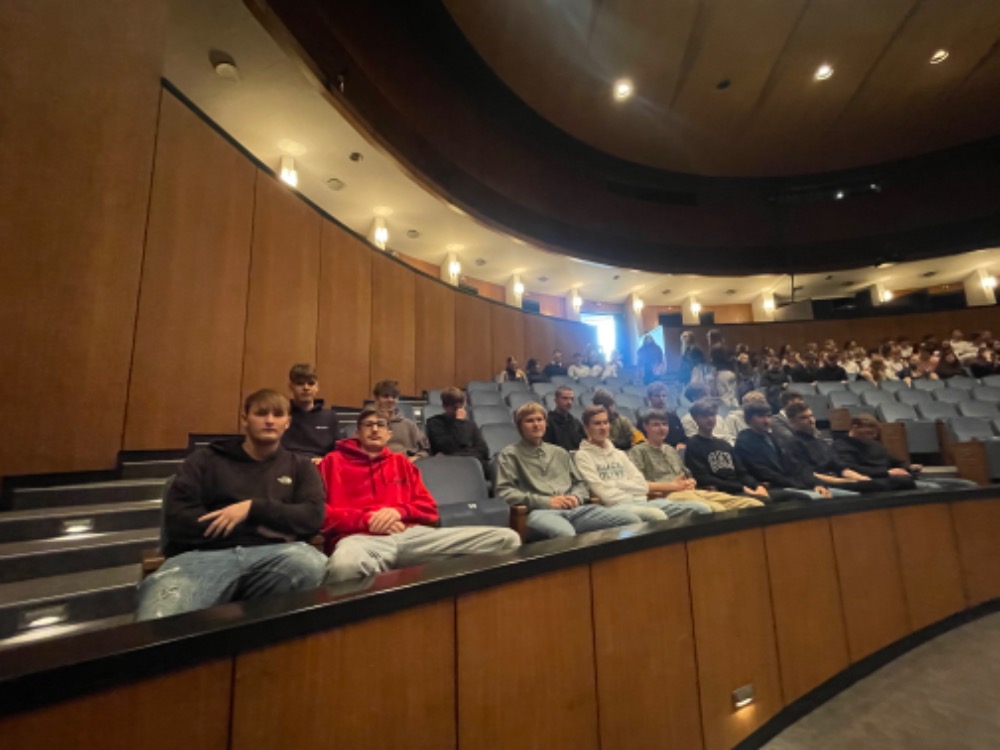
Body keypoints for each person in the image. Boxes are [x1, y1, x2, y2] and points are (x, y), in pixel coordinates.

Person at [136, 389, 327, 620]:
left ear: (287, 422)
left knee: (312, 565)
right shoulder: (205, 460)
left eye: (277, 414)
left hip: (277, 556)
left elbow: (312, 517)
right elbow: (179, 520)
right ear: (245, 419)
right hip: (202, 558)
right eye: (261, 413)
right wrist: (261, 527)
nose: (269, 420)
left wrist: (252, 509)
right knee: (159, 618)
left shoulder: (301, 466)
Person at [319, 409, 520, 582]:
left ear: (389, 434)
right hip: (360, 540)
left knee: (506, 539)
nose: (374, 429)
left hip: (411, 536)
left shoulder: (401, 462)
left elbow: (428, 508)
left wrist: (398, 512)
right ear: (357, 432)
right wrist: (367, 520)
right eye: (368, 425)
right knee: (344, 566)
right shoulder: (332, 462)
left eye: (380, 425)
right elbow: (321, 515)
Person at [496, 402, 641, 538]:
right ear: (519, 426)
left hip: (575, 510)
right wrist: (546, 502)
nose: (536, 424)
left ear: (545, 423)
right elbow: (504, 492)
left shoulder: (559, 452)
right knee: (566, 535)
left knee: (631, 520)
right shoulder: (510, 455)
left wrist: (576, 497)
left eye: (540, 420)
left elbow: (581, 484)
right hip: (540, 512)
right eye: (530, 421)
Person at [575, 406, 712, 521]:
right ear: (586, 428)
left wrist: (618, 485)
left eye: (605, 422)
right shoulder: (582, 456)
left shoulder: (619, 454)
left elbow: (641, 484)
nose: (603, 427)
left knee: (701, 509)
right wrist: (629, 488)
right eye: (597, 423)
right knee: (656, 515)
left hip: (641, 501)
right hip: (615, 506)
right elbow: (603, 493)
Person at [629, 409, 762, 511]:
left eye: (664, 424)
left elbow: (687, 474)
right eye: (656, 425)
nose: (662, 428)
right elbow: (638, 484)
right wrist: (670, 486)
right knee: (717, 509)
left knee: (752, 503)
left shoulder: (671, 450)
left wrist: (691, 481)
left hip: (690, 491)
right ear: (645, 427)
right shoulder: (638, 451)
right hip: (667, 495)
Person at [683, 399, 798, 504]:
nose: (710, 419)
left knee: (796, 497)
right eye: (704, 416)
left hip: (741, 489)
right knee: (763, 502)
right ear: (695, 418)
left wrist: (756, 485)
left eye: (712, 415)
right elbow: (703, 477)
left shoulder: (724, 444)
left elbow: (742, 472)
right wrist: (741, 488)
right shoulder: (693, 444)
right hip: (723, 492)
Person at [781, 403, 912, 493]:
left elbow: (840, 467)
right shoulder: (793, 444)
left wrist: (861, 479)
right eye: (803, 418)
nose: (811, 420)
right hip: (825, 482)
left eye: (811, 416)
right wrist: (845, 482)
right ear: (792, 422)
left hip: (839, 478)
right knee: (886, 484)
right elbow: (807, 474)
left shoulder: (820, 442)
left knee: (901, 481)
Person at [735, 404, 856, 500]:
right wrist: (798, 484)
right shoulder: (745, 440)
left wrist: (815, 484)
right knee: (817, 498)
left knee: (850, 496)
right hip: (774, 486)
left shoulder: (772, 438)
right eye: (761, 417)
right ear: (749, 420)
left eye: (768, 416)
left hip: (792, 483)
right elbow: (764, 472)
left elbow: (797, 468)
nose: (766, 421)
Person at [833, 414, 977, 491]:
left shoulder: (875, 445)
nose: (873, 436)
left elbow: (896, 461)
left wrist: (907, 468)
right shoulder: (841, 446)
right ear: (854, 427)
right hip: (883, 483)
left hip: (904, 479)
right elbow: (850, 469)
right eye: (868, 433)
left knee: (967, 485)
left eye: (875, 433)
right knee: (933, 489)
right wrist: (887, 473)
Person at [281, 363, 341, 460]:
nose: (306, 388)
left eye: (311, 383)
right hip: (289, 463)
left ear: (317, 387)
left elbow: (339, 451)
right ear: (291, 387)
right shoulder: (281, 414)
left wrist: (325, 460)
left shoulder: (330, 417)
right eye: (300, 383)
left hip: (320, 464)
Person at [425, 387, 490, 473]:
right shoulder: (434, 423)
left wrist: (457, 455)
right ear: (445, 406)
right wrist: (459, 423)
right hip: (448, 468)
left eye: (461, 406)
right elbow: (448, 448)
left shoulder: (470, 424)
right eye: (455, 407)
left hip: (472, 467)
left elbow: (483, 451)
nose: (458, 410)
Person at [372, 379, 428, 461]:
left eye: (394, 397)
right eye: (385, 396)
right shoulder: (368, 425)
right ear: (377, 398)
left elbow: (425, 450)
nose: (390, 400)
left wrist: (416, 457)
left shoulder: (409, 425)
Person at [543, 385, 587, 452]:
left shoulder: (576, 423)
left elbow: (584, 443)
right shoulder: (547, 422)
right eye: (565, 398)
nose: (569, 402)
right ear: (556, 400)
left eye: (571, 399)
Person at [644, 382, 685, 450]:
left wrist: (682, 443)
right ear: (650, 398)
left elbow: (683, 437)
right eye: (657, 396)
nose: (661, 398)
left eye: (664, 396)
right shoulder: (645, 419)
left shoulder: (673, 417)